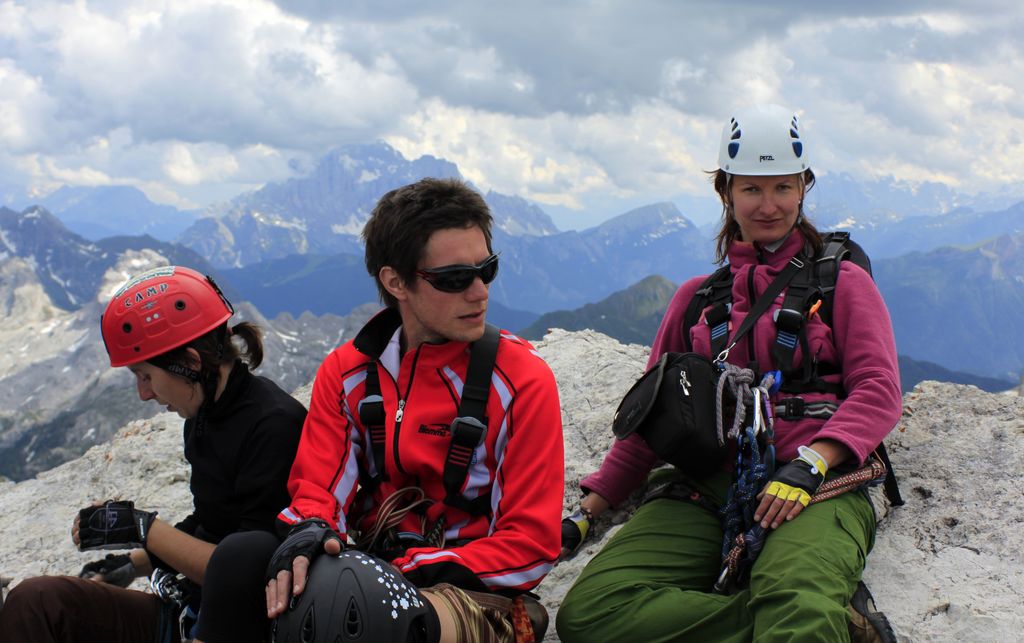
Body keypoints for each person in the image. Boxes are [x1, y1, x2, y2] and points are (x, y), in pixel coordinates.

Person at [555, 104, 902, 642]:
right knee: (591, 613)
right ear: (727, 192)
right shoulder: (695, 300)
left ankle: (798, 612)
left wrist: (814, 463)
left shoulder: (843, 283)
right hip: (704, 480)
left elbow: (878, 391)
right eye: (752, 190)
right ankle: (794, 618)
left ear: (804, 188)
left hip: (815, 481)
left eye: (783, 188)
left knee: (799, 608)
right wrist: (588, 511)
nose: (769, 206)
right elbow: (654, 415)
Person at [208, 177, 564, 642]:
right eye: (454, 278)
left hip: (472, 592)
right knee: (242, 559)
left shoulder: (520, 382)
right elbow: (318, 489)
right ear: (395, 281)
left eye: (486, 270)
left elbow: (531, 546)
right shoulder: (348, 373)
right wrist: (311, 533)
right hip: (370, 565)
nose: (479, 292)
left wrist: (399, 572)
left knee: (360, 610)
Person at [0, 266, 306, 643]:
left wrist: (141, 527)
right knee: (35, 601)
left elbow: (246, 567)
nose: (143, 394)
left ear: (192, 363)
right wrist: (129, 565)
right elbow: (212, 524)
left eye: (145, 376)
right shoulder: (205, 412)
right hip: (186, 613)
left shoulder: (273, 426)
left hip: (230, 626)